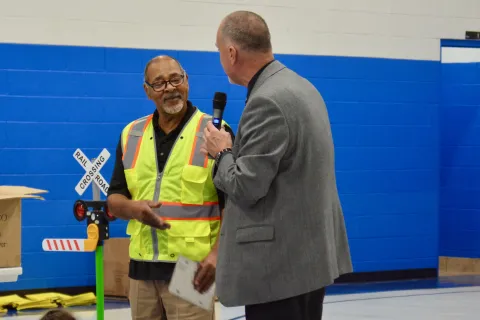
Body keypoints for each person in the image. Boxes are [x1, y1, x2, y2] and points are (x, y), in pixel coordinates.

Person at [201, 10, 353, 320]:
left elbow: (246, 187)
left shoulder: (266, 101)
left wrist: (221, 152)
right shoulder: (302, 87)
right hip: (308, 260)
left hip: (278, 270)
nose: (220, 57)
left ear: (232, 53)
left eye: (218, 50)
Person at [107, 55, 235, 320]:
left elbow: (234, 204)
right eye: (160, 83)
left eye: (175, 79)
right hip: (142, 268)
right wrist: (132, 208)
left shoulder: (216, 133)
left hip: (192, 269)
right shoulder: (131, 133)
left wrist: (217, 255)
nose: (170, 88)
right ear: (147, 91)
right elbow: (115, 199)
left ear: (186, 80)